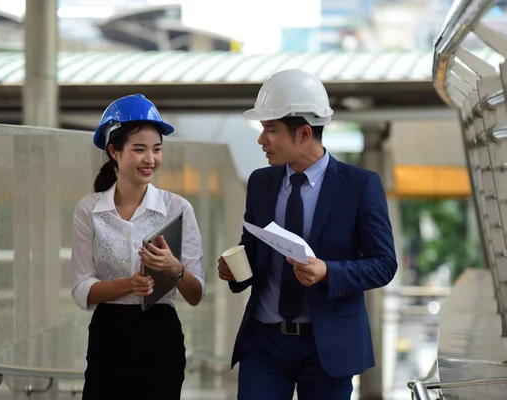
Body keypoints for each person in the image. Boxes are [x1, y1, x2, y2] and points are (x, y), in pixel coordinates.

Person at [217, 69, 398, 399]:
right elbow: (253, 250)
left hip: (328, 346)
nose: (261, 140)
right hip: (264, 343)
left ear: (303, 133)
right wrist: (235, 272)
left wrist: (328, 272)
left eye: (270, 129)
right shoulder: (260, 183)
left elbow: (384, 265)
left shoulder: (360, 186)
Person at [71, 94, 206, 400]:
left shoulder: (177, 208)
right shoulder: (88, 210)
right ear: (114, 152)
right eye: (139, 149)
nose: (151, 159)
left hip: (161, 337)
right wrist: (129, 284)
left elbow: (196, 294)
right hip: (108, 336)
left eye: (157, 149)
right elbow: (81, 290)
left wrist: (174, 268)